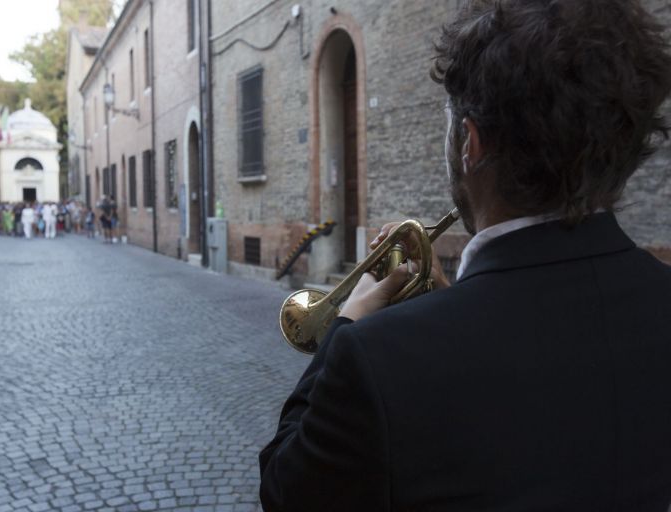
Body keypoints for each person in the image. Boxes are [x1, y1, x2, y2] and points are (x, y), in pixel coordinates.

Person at [259, 1, 671, 511]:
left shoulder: (373, 361)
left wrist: (344, 325)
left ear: (470, 144)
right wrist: (454, 302)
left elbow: (284, 491)